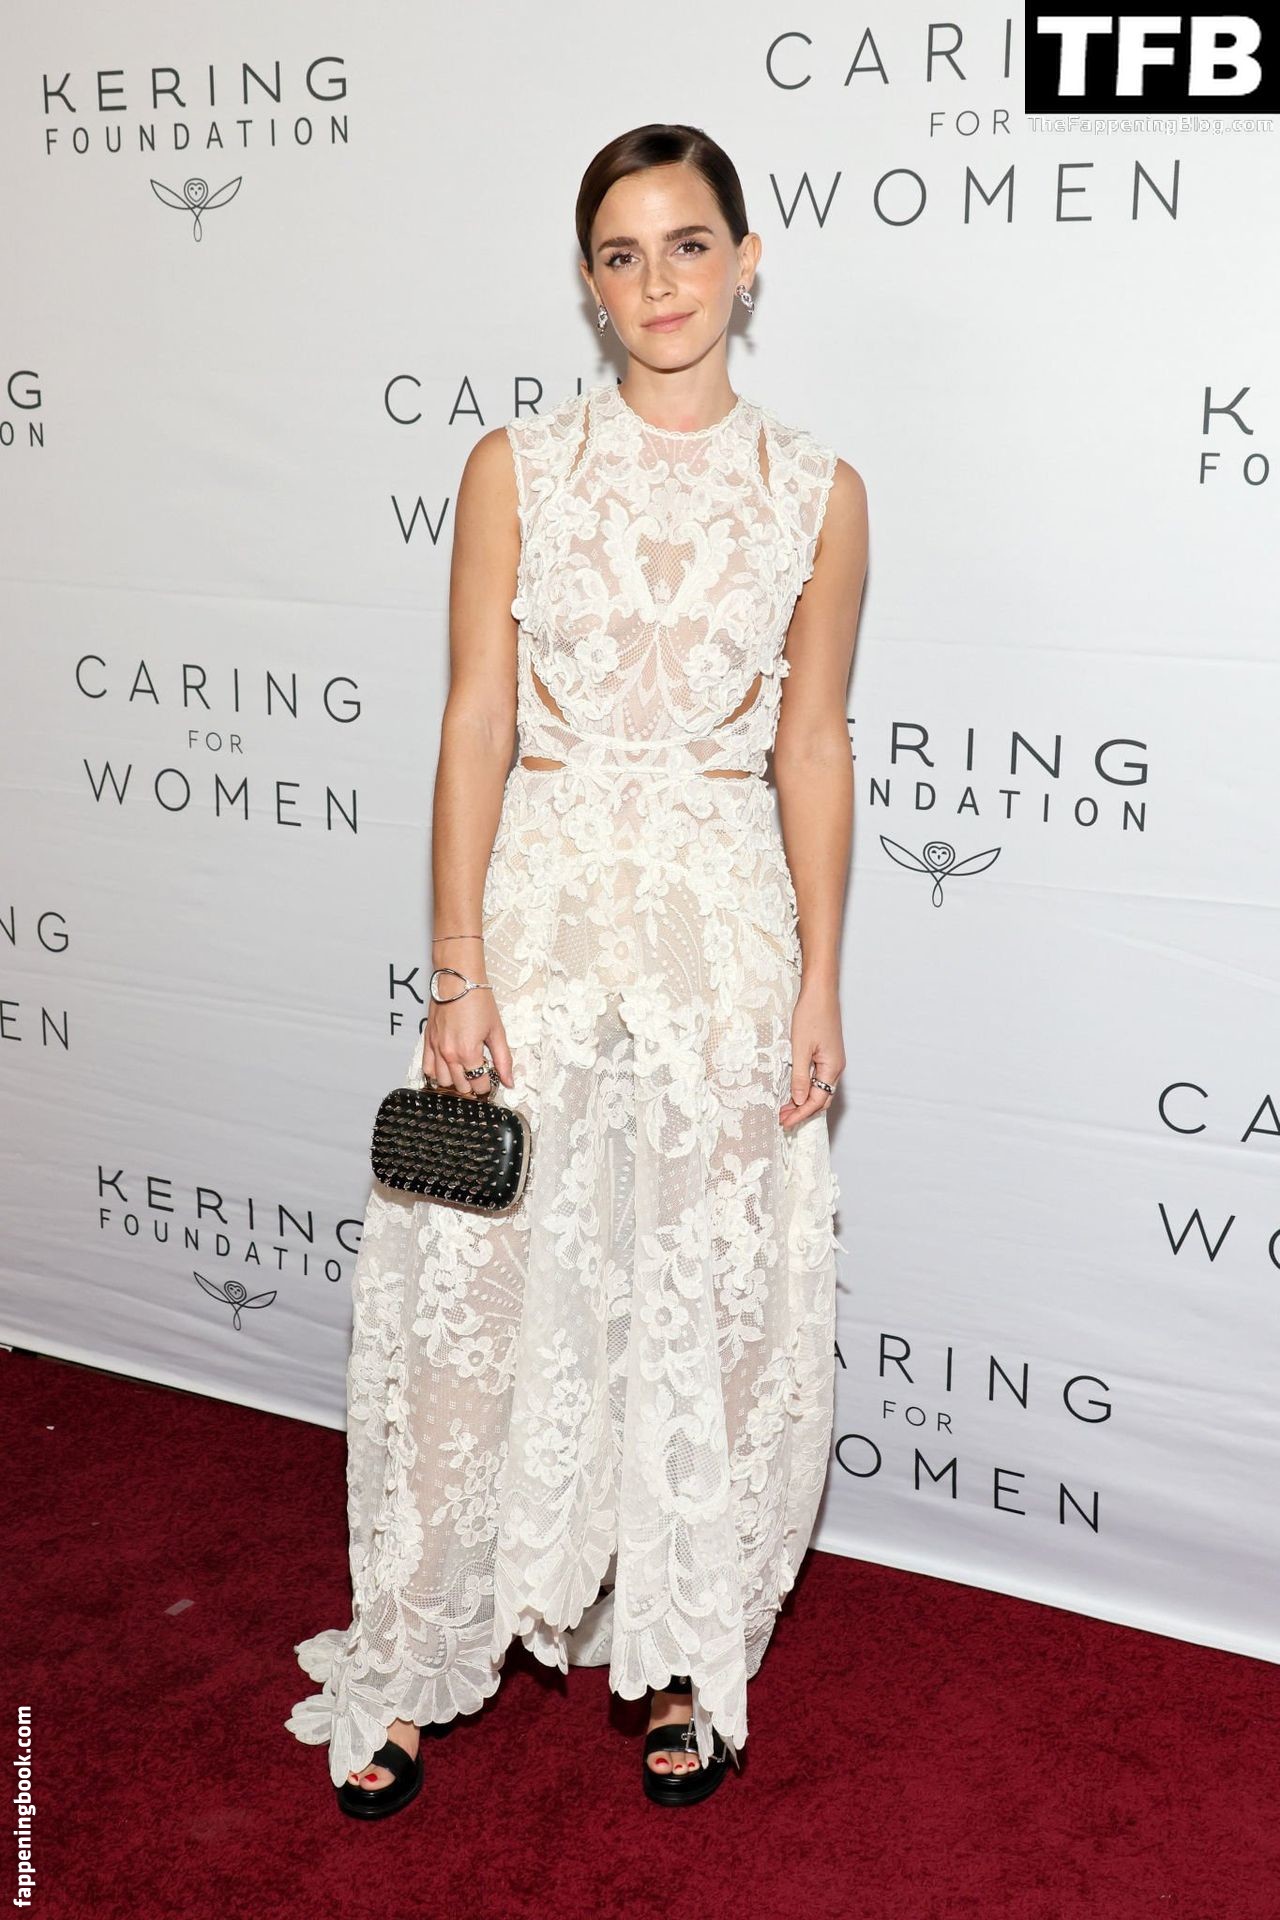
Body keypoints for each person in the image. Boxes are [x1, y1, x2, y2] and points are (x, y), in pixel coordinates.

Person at [285, 120, 867, 1815]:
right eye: (622, 254)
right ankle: (414, 1648)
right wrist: (457, 963)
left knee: (708, 1296)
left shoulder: (819, 491)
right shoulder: (516, 468)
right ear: (589, 282)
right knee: (473, 1297)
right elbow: (475, 719)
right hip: (536, 922)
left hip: (721, 938)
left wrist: (820, 982)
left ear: (747, 262)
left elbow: (813, 746)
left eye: (689, 245)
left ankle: (687, 1642)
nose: (658, 282)